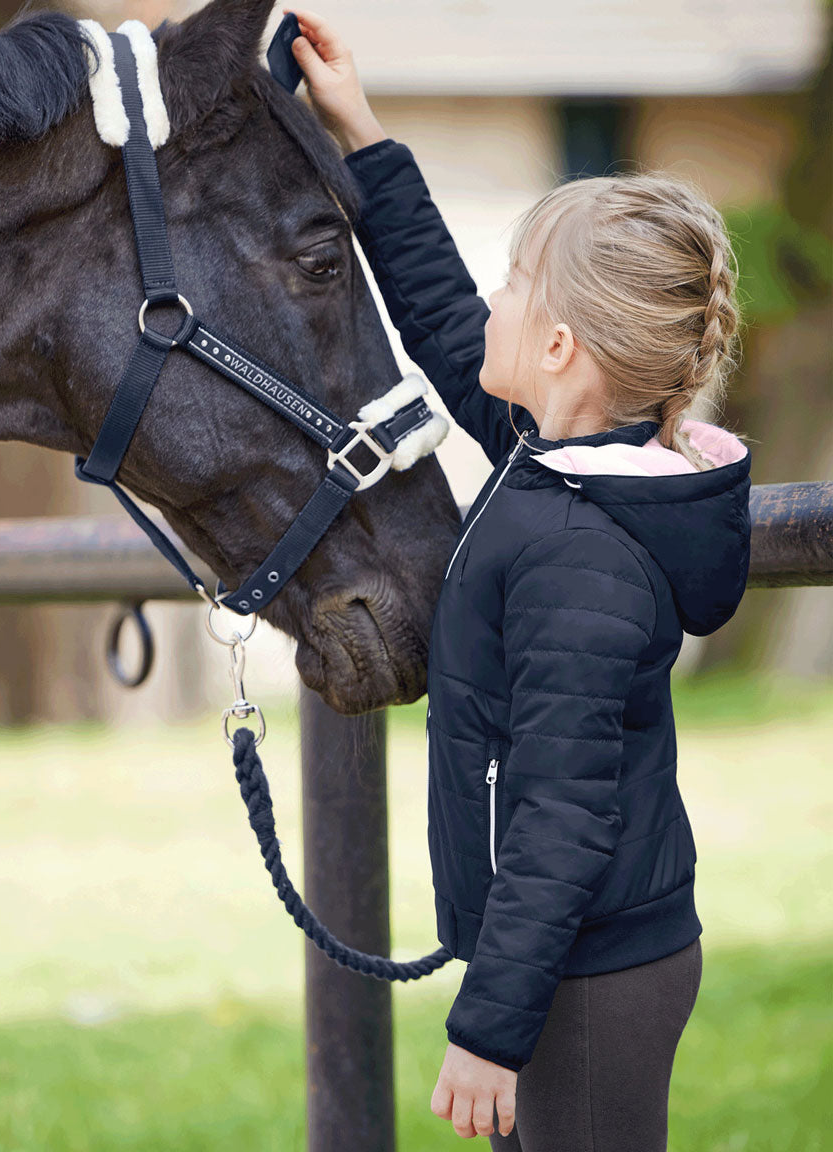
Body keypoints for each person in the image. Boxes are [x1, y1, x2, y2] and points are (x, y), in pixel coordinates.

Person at [284, 8, 753, 1150]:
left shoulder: (581, 554)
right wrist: (363, 135)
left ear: (558, 353)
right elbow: (445, 317)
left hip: (585, 974)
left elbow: (563, 817)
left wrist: (491, 1024)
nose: (490, 299)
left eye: (515, 283)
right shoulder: (554, 462)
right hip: (561, 957)